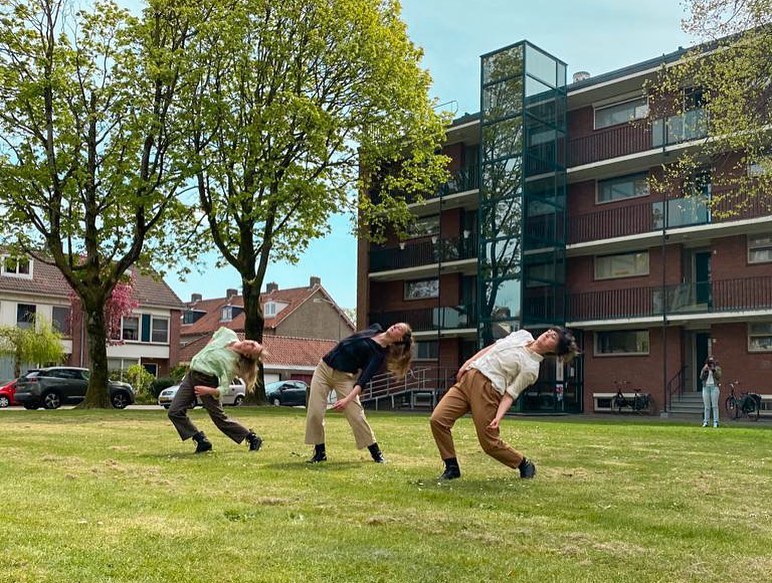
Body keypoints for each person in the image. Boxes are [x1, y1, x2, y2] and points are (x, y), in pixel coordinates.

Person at [430, 326, 579, 481]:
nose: (548, 334)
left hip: (488, 391)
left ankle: (523, 463)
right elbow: (492, 348)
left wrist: (498, 417)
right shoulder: (522, 335)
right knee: (438, 420)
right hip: (469, 377)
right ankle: (452, 467)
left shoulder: (531, 368)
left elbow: (510, 394)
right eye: (549, 331)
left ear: (554, 350)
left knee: (489, 443)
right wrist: (468, 362)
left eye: (553, 337)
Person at [305, 322, 414, 464]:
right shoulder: (375, 329)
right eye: (396, 324)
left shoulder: (379, 354)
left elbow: (363, 381)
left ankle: (376, 453)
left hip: (344, 378)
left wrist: (347, 400)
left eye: (400, 329)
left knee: (356, 416)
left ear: (399, 339)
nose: (395, 326)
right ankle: (320, 453)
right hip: (324, 369)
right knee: (315, 412)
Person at [168, 327, 264, 453]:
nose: (251, 343)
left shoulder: (232, 363)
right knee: (174, 411)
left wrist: (208, 390)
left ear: (247, 354)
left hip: (207, 381)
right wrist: (208, 346)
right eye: (253, 343)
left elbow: (223, 389)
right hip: (192, 374)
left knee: (219, 418)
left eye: (252, 347)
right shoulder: (228, 334)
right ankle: (201, 441)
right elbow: (216, 334)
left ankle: (252, 438)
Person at [700, 355, 722, 428]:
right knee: (707, 406)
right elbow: (701, 377)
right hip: (706, 387)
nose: (711, 363)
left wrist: (713, 370)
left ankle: (716, 422)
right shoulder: (705, 368)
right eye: (709, 361)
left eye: (712, 361)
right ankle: (706, 421)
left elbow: (718, 377)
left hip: (714, 387)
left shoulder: (717, 368)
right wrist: (705, 370)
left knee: (715, 406)